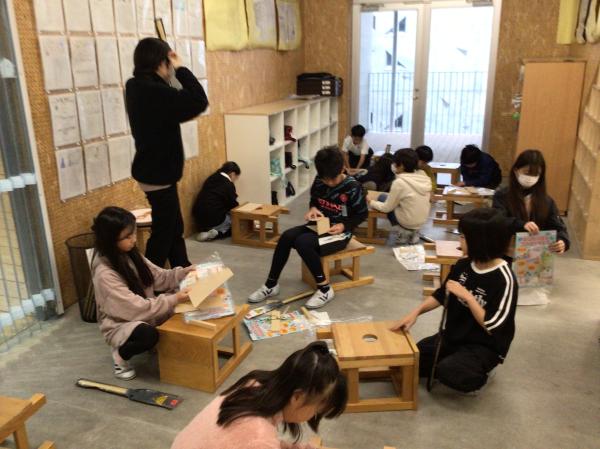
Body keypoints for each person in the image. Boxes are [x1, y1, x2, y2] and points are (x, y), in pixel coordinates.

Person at [391, 208, 518, 394]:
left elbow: (493, 326)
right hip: (453, 336)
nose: (459, 241)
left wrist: (468, 297)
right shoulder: (463, 264)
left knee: (449, 372)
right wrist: (414, 314)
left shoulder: (504, 279)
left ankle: (484, 372)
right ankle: (452, 359)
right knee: (414, 359)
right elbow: (441, 295)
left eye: (463, 237)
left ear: (481, 241)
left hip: (484, 346)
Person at [248, 146, 368, 309]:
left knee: (303, 242)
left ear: (342, 169)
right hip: (318, 226)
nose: (329, 183)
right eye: (326, 180)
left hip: (341, 233)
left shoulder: (353, 187)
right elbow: (314, 200)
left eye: (333, 179)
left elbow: (362, 214)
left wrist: (344, 225)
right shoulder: (319, 179)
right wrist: (313, 209)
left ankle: (325, 289)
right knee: (287, 236)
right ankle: (271, 285)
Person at [126, 37, 208, 268]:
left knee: (173, 226)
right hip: (157, 173)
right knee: (164, 232)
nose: (170, 68)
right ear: (160, 62)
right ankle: (149, 279)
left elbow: (177, 104)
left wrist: (170, 70)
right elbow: (199, 100)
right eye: (168, 63)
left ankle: (182, 268)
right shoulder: (154, 91)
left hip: (153, 170)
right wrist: (181, 68)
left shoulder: (136, 86)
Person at [171, 341, 347, 449]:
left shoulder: (254, 383)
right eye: (316, 412)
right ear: (297, 397)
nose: (312, 417)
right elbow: (256, 441)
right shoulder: (258, 437)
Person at [91, 207, 194, 380]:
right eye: (127, 236)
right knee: (148, 335)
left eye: (132, 233)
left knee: (184, 299)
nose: (133, 239)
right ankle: (120, 355)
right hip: (120, 322)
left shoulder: (129, 253)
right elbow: (134, 308)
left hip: (144, 308)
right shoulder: (104, 274)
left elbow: (158, 276)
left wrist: (184, 273)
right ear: (110, 239)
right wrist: (174, 299)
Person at [492, 149, 569, 253]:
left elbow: (558, 227)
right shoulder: (502, 196)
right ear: (516, 170)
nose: (530, 178)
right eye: (527, 173)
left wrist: (562, 241)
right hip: (506, 252)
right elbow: (497, 221)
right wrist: (521, 224)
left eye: (535, 174)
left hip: (535, 255)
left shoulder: (547, 201)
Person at [368, 148, 432, 245]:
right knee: (395, 199)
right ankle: (414, 232)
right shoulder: (423, 175)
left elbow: (386, 208)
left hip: (407, 221)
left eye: (395, 163)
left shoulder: (399, 182)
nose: (393, 165)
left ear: (401, 165)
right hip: (422, 221)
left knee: (382, 198)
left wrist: (371, 202)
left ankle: (403, 232)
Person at [193, 161, 241, 242]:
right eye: (236, 177)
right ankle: (217, 233)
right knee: (236, 223)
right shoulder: (228, 185)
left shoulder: (212, 177)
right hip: (214, 219)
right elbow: (233, 206)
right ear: (232, 174)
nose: (235, 180)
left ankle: (208, 231)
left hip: (199, 218)